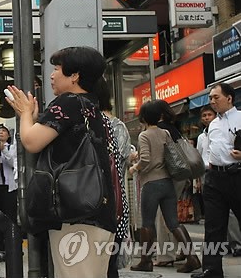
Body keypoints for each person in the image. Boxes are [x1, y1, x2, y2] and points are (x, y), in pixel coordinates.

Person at [6, 46, 117, 278]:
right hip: (96, 210)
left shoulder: (68, 102)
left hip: (76, 215)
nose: (52, 74)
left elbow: (31, 141)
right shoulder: (90, 105)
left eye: (57, 68)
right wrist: (35, 120)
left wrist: (25, 114)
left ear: (75, 75)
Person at [129, 100, 201, 273]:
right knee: (173, 223)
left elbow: (145, 159)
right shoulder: (165, 133)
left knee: (147, 223)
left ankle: (146, 261)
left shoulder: (144, 135)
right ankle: (192, 258)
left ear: (144, 117)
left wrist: (134, 167)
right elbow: (168, 154)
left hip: (151, 184)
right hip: (167, 183)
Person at [192, 83, 241, 278]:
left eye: (216, 97)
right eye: (210, 97)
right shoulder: (212, 124)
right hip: (213, 177)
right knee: (213, 226)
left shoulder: (240, 117)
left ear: (229, 98)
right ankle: (211, 269)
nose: (212, 101)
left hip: (237, 175)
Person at [95, 78, 131, 278]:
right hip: (118, 203)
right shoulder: (120, 127)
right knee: (110, 265)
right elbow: (124, 160)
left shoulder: (98, 125)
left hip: (99, 204)